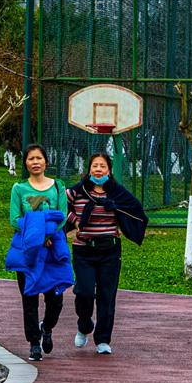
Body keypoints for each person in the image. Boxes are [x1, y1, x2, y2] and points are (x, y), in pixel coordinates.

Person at [65, 151, 146, 355]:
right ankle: (84, 325)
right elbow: (59, 206)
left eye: (102, 166)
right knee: (84, 292)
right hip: (84, 249)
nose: (98, 169)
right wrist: (75, 220)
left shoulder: (117, 193)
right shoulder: (77, 191)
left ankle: (102, 340)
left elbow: (135, 210)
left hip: (109, 251)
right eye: (95, 166)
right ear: (89, 169)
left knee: (107, 295)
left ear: (109, 170)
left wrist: (116, 209)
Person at [8, 143, 69, 362]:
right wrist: (37, 235)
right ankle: (34, 343)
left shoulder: (57, 187)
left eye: (39, 158)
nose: (35, 162)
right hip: (28, 250)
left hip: (53, 249)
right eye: (31, 159)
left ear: (46, 161)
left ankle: (48, 327)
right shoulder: (19, 189)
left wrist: (48, 235)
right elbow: (15, 219)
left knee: (56, 300)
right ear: (26, 163)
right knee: (29, 297)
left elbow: (62, 216)